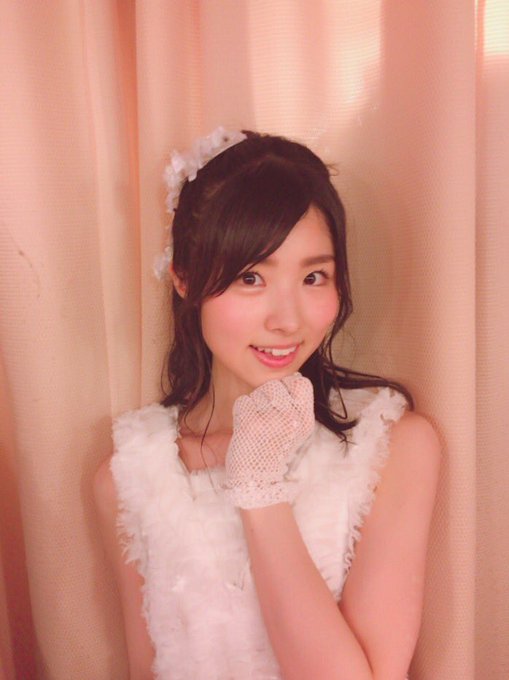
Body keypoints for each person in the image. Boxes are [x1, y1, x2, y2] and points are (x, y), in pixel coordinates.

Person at [93, 128, 441, 680]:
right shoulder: (132, 474)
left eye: (313, 277)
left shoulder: (390, 447)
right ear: (184, 278)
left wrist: (258, 487)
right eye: (251, 277)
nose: (287, 319)